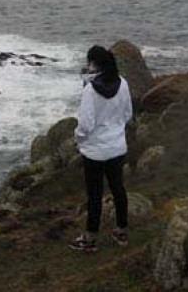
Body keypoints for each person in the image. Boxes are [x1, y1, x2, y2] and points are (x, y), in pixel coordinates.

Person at [69, 46, 134, 252]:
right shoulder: (123, 83)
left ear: (96, 65)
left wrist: (77, 139)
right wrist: (114, 130)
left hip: (95, 151)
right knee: (118, 189)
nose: (86, 66)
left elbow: (86, 125)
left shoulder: (90, 90)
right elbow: (128, 115)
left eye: (88, 63)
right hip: (117, 147)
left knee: (95, 195)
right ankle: (122, 231)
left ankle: (89, 239)